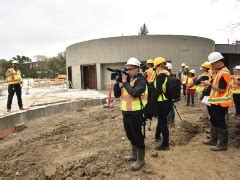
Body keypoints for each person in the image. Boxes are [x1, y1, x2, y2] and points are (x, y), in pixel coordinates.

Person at [113, 57, 148, 171]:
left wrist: (124, 82)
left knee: (137, 136)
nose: (129, 71)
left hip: (136, 113)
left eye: (131, 69)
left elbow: (134, 93)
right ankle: (134, 155)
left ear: (138, 69)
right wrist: (117, 81)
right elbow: (117, 94)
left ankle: (141, 159)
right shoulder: (128, 80)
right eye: (127, 69)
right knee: (129, 134)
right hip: (126, 112)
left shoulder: (141, 80)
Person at [202, 52, 233, 151]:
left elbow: (222, 89)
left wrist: (209, 84)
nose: (211, 66)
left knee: (220, 122)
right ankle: (214, 139)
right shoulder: (219, 71)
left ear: (218, 62)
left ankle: (222, 144)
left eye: (213, 63)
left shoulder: (224, 73)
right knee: (214, 120)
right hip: (215, 101)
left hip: (221, 102)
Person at [151, 57, 173, 150]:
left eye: (155, 67)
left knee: (163, 122)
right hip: (168, 101)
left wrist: (151, 101)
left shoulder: (160, 76)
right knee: (161, 119)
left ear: (158, 65)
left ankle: (165, 144)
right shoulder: (168, 74)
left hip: (161, 102)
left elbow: (158, 91)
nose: (155, 69)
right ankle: (157, 135)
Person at [166, 62, 176, 127]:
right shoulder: (174, 75)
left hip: (168, 94)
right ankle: (172, 121)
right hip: (173, 94)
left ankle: (168, 121)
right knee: (171, 108)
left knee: (168, 109)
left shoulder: (167, 76)